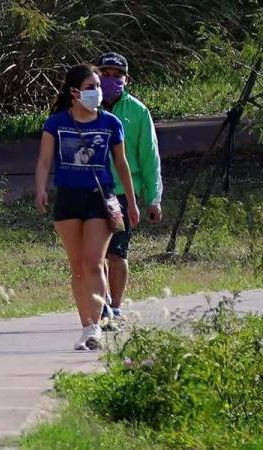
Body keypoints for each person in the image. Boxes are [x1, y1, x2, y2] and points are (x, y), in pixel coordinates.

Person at [34, 64, 140, 350]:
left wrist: (130, 201)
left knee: (94, 262)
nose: (96, 91)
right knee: (78, 266)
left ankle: (96, 326)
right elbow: (45, 160)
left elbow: (121, 163)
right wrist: (41, 189)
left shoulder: (109, 123)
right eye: (90, 87)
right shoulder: (56, 122)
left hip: (100, 198)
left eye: (97, 86)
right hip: (68, 197)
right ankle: (86, 325)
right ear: (74, 92)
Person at [97, 52, 163, 320]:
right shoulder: (86, 107)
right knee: (93, 255)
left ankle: (116, 305)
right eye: (105, 74)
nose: (110, 80)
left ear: (126, 79)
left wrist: (153, 198)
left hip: (123, 193)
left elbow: (150, 156)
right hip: (90, 190)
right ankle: (100, 303)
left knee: (117, 252)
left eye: (116, 76)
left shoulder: (138, 111)